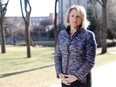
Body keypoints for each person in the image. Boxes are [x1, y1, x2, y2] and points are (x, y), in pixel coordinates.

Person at [54, 5, 96, 87]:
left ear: (82, 18)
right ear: (68, 17)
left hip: (81, 82)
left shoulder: (88, 35)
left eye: (78, 16)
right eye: (72, 16)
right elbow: (57, 56)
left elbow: (90, 61)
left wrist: (76, 76)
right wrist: (59, 73)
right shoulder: (62, 34)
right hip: (65, 81)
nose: (75, 19)